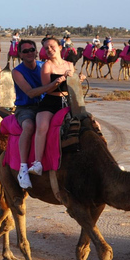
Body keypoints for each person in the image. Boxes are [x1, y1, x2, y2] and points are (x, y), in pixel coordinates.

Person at [11, 39, 64, 189]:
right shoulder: (17, 72)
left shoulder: (43, 66)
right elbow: (30, 92)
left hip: (47, 104)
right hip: (26, 107)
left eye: (32, 50)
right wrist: (52, 85)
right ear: (20, 54)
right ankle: (23, 168)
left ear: (36, 51)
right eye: (25, 51)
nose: (29, 53)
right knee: (28, 126)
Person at [28, 37, 80, 178]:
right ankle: (37, 162)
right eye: (46, 48)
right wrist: (57, 81)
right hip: (51, 101)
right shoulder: (47, 66)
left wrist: (77, 79)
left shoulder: (69, 64)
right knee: (42, 126)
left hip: (68, 101)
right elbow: (46, 89)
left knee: (91, 123)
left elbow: (73, 86)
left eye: (52, 46)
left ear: (60, 47)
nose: (49, 50)